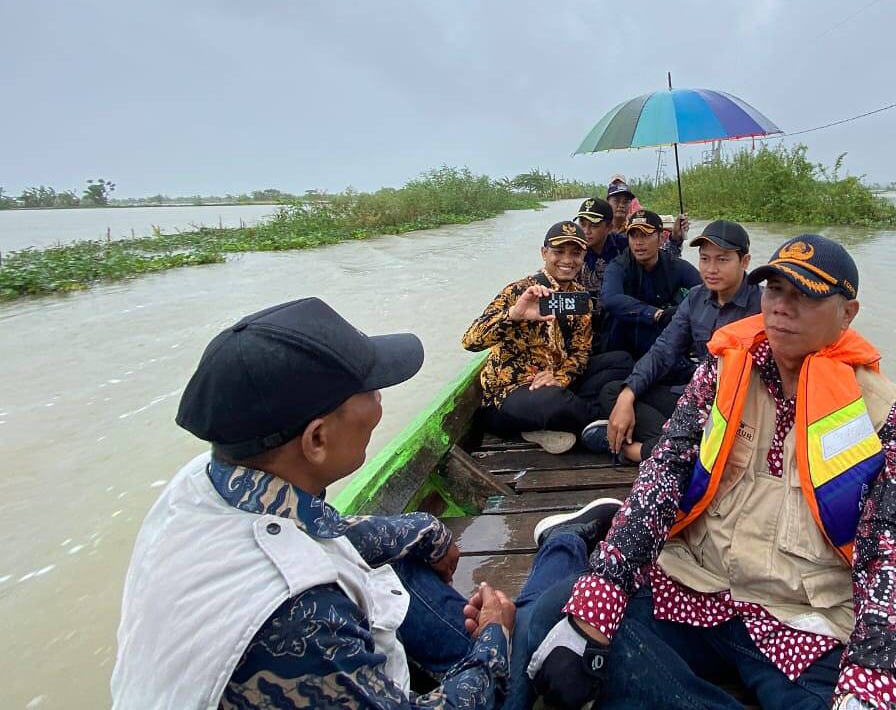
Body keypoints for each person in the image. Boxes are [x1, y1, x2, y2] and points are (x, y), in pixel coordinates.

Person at [111, 296, 622, 710]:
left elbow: (326, 530)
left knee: (403, 563)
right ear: (315, 440)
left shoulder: (202, 481)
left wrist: (427, 531)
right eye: (372, 391)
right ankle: (562, 547)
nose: (381, 402)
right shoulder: (300, 617)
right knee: (538, 628)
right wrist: (494, 639)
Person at [522, 235, 896, 710]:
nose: (782, 308)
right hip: (697, 589)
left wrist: (876, 673)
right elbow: (662, 477)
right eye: (775, 291)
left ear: (848, 313)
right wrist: (601, 598)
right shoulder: (720, 375)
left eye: (805, 295)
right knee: (553, 621)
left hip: (803, 625)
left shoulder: (890, 416)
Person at [584, 220, 761, 463]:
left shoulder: (764, 305)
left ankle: (632, 450)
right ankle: (670, 444)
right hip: (697, 397)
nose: (711, 268)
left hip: (740, 409)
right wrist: (628, 396)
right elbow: (663, 351)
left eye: (722, 260)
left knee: (715, 437)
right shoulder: (696, 298)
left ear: (745, 262)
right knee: (615, 392)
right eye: (705, 258)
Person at [462, 221, 631, 453]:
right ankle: (602, 425)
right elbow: (470, 340)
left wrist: (559, 378)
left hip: (555, 380)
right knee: (556, 402)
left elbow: (581, 353)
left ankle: (557, 423)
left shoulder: (580, 300)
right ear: (544, 253)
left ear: (584, 255)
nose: (567, 260)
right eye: (559, 252)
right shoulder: (519, 291)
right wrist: (515, 314)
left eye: (575, 253)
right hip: (510, 394)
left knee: (622, 361)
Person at [600, 209, 702, 361]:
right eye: (633, 236)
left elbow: (706, 291)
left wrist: (681, 312)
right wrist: (655, 314)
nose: (638, 242)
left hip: (659, 338)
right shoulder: (619, 265)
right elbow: (610, 298)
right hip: (622, 342)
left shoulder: (674, 265)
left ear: (661, 238)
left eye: (645, 235)